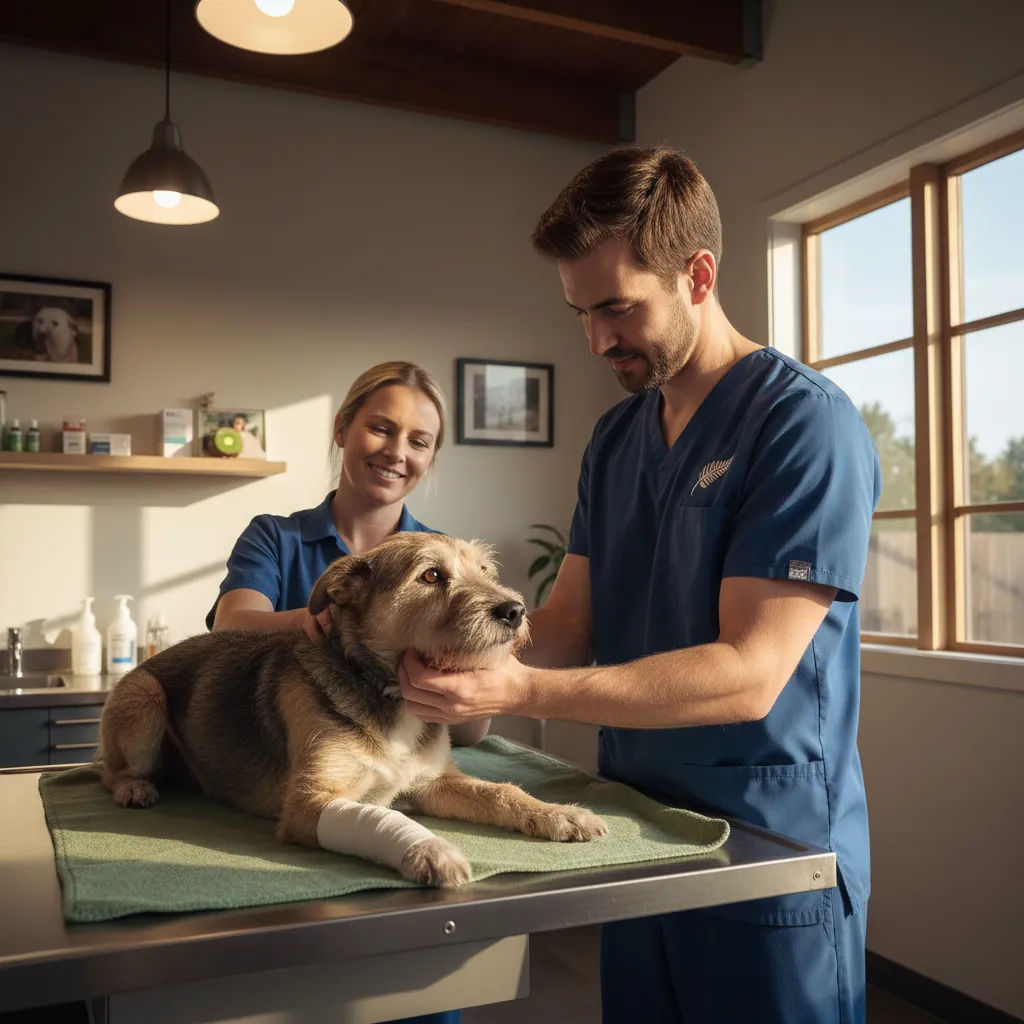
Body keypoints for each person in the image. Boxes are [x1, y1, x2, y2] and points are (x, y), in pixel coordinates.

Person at [398, 147, 881, 1024]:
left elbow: (750, 672)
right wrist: (443, 643)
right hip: (634, 834)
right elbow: (568, 623)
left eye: (618, 307)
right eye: (580, 312)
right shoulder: (616, 441)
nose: (596, 340)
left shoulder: (805, 425)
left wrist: (524, 689)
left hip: (765, 851)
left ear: (698, 275)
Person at [209, 359, 482, 1024]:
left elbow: (472, 730)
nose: (397, 452)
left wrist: (466, 693)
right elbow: (232, 625)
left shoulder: (445, 562)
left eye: (419, 441)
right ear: (342, 428)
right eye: (380, 429)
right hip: (306, 812)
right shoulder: (276, 536)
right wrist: (333, 613)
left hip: (405, 818)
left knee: (417, 995)